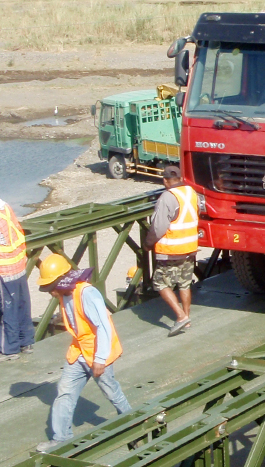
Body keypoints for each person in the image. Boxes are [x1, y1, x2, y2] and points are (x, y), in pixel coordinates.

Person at [36, 254, 131, 452]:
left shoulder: (87, 293)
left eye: (50, 287)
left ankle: (133, 423)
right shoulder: (64, 293)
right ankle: (60, 439)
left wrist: (99, 359)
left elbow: (103, 326)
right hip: (79, 351)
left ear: (62, 280)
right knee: (64, 392)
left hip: (97, 352)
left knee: (111, 391)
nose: (50, 292)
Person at [145, 165, 198, 337]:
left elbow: (159, 226)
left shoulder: (167, 197)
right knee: (184, 283)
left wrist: (148, 243)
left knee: (160, 283)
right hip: (189, 247)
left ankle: (181, 317)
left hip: (171, 249)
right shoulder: (190, 192)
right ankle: (187, 317)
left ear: (165, 181)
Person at [0, 197, 34, 361]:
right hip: (18, 261)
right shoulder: (5, 206)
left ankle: (10, 348)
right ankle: (26, 342)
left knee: (7, 308)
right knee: (21, 303)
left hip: (4, 267)